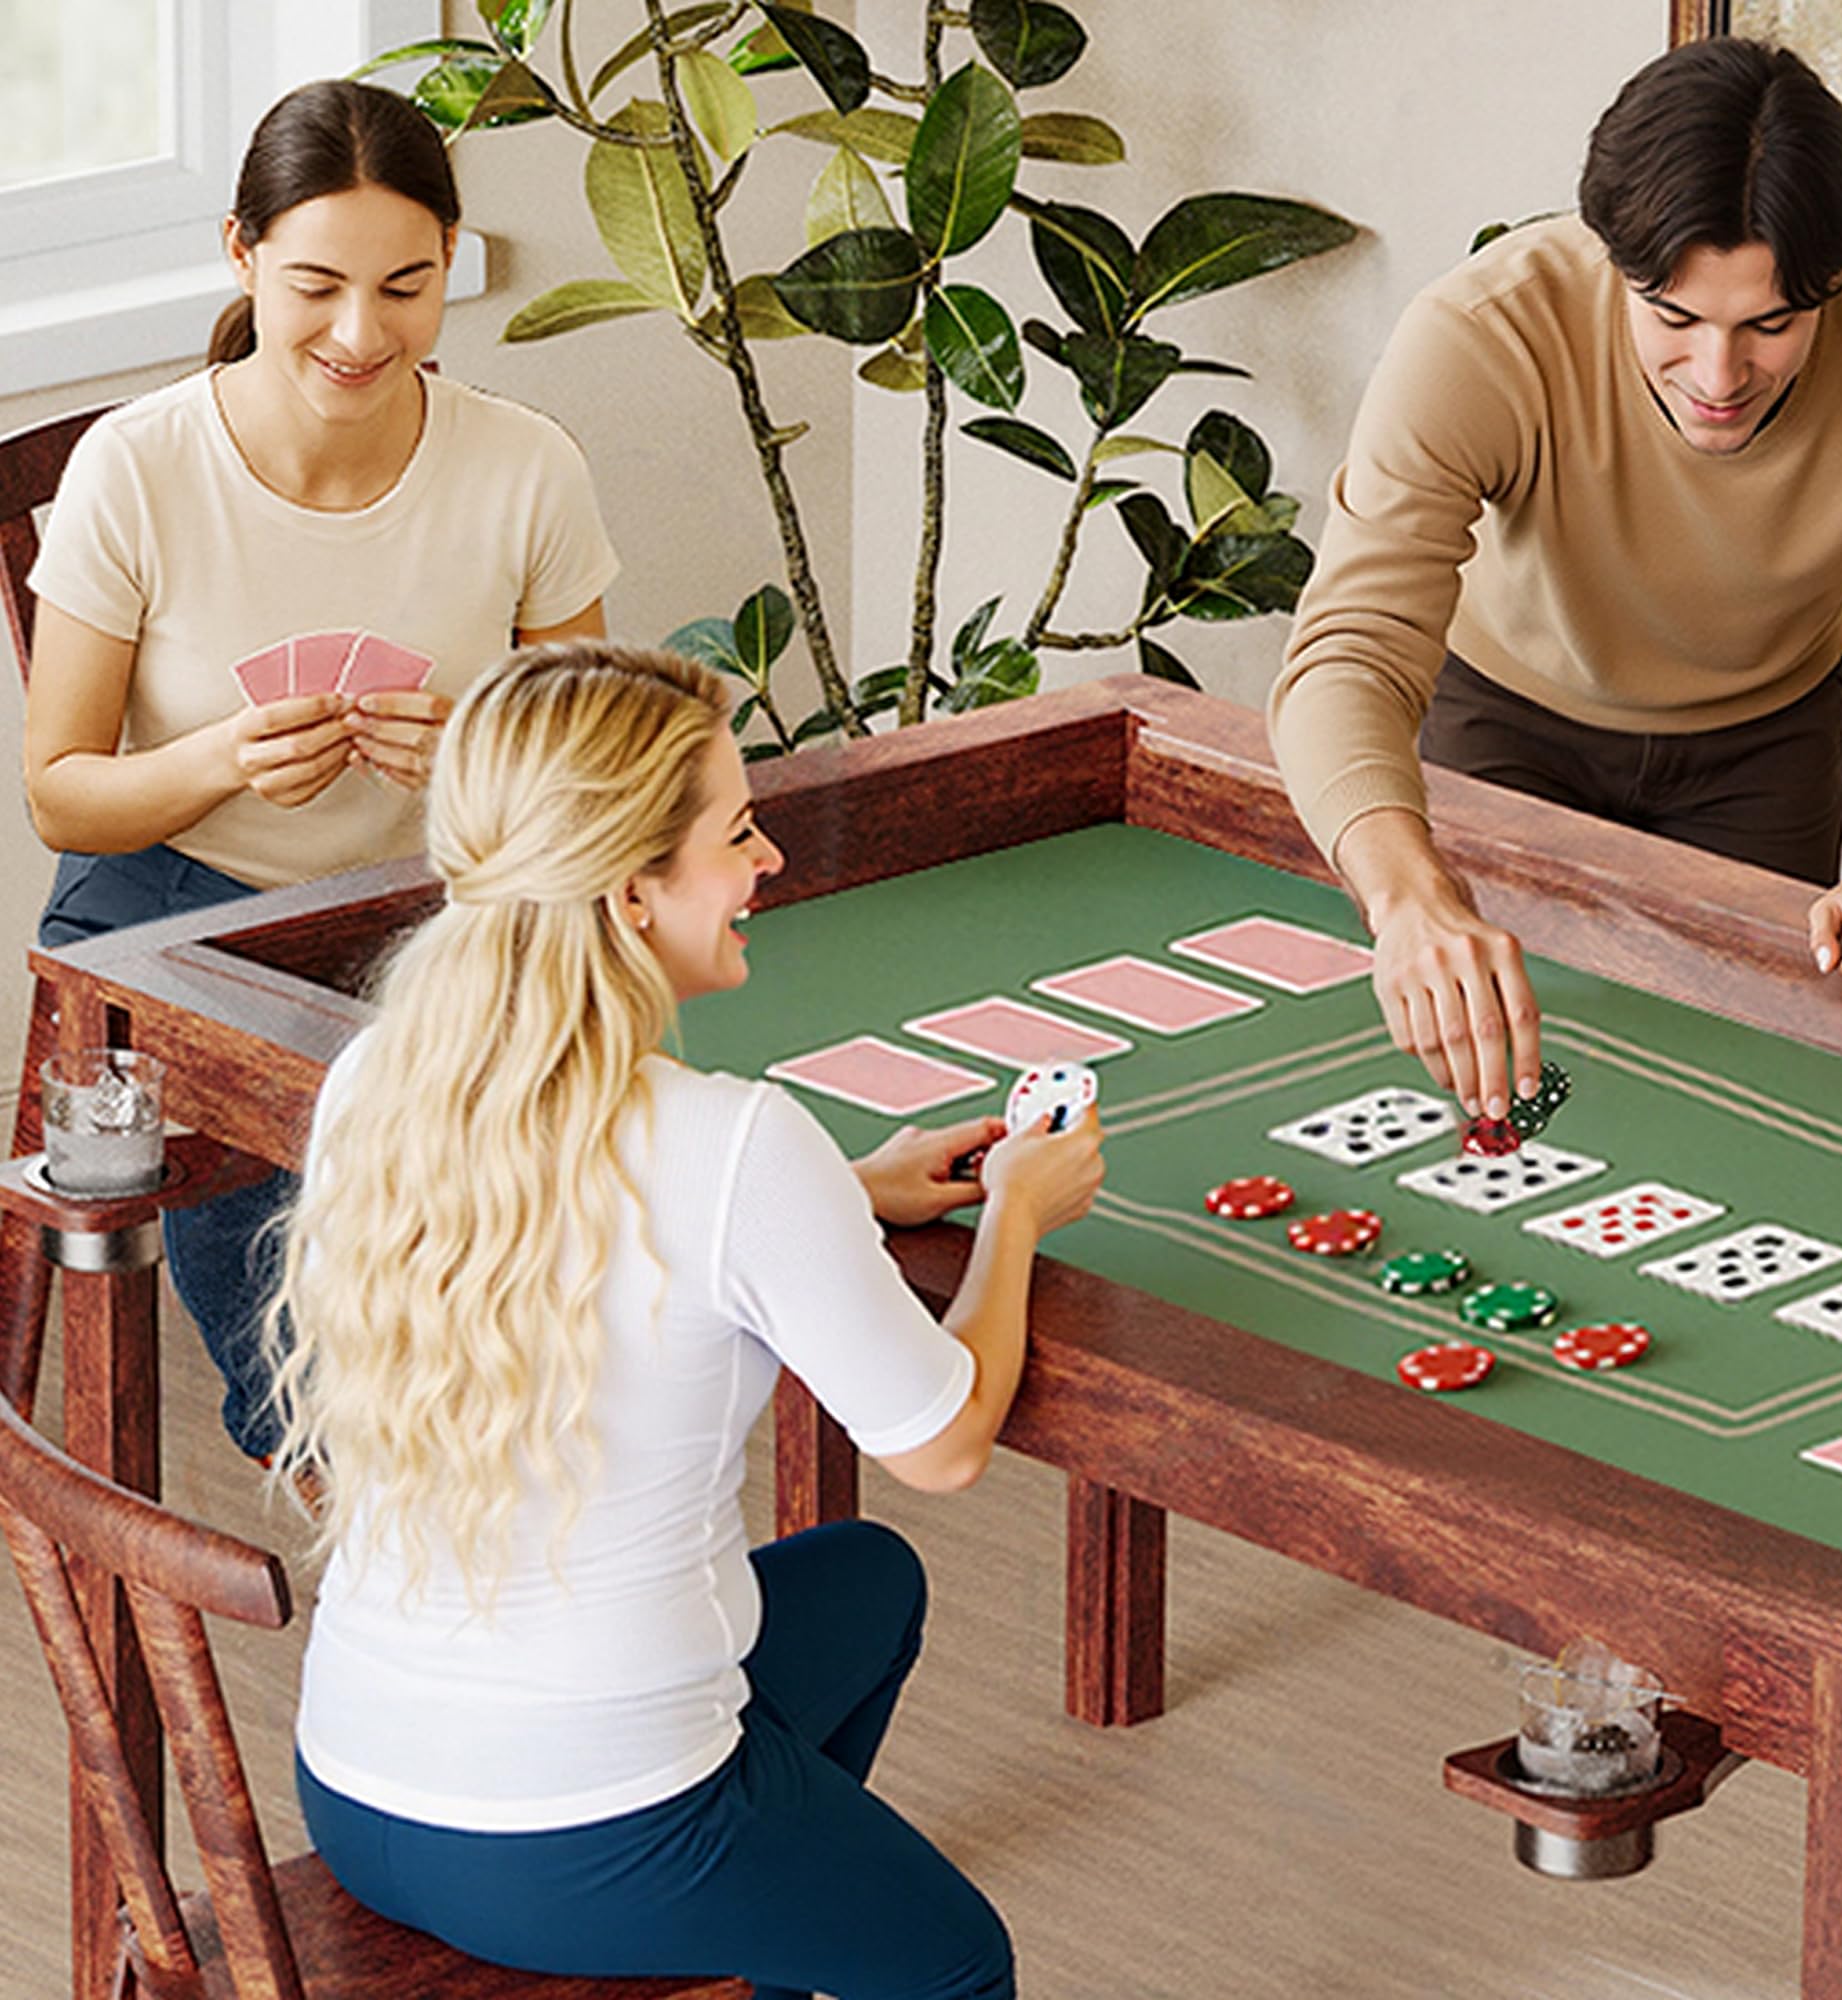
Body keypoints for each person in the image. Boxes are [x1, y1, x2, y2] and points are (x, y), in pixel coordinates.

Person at [266, 642, 1101, 2000]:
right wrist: (1015, 1213)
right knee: (956, 1962)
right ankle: (748, 1920)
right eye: (737, 833)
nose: (767, 861)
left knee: (867, 1582)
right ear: (631, 894)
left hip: (358, 1791)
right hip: (589, 1833)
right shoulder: (736, 1144)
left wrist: (844, 1192)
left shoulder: (382, 1080)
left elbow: (603, 1227)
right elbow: (942, 1444)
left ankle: (764, 1945)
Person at [22, 79, 617, 1458]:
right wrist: (216, 762)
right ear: (242, 255)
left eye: (406, 287)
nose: (361, 333)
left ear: (452, 259)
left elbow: (588, 765)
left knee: (536, 1252)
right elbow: (62, 790)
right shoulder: (137, 469)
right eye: (316, 286)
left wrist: (479, 751)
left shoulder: (525, 467)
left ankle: (489, 1462)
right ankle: (361, 1478)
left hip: (430, 904)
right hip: (180, 908)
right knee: (316, 1354)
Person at [1270, 37, 1842, 1124]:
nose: (1718, 376)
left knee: (1734, 1095)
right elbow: (1349, 648)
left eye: (1770, 325)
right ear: (1615, 264)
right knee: (1479, 1075)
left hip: (1766, 747)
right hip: (1504, 714)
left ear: (1833, 285)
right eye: (1673, 317)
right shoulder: (1479, 334)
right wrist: (1406, 899)